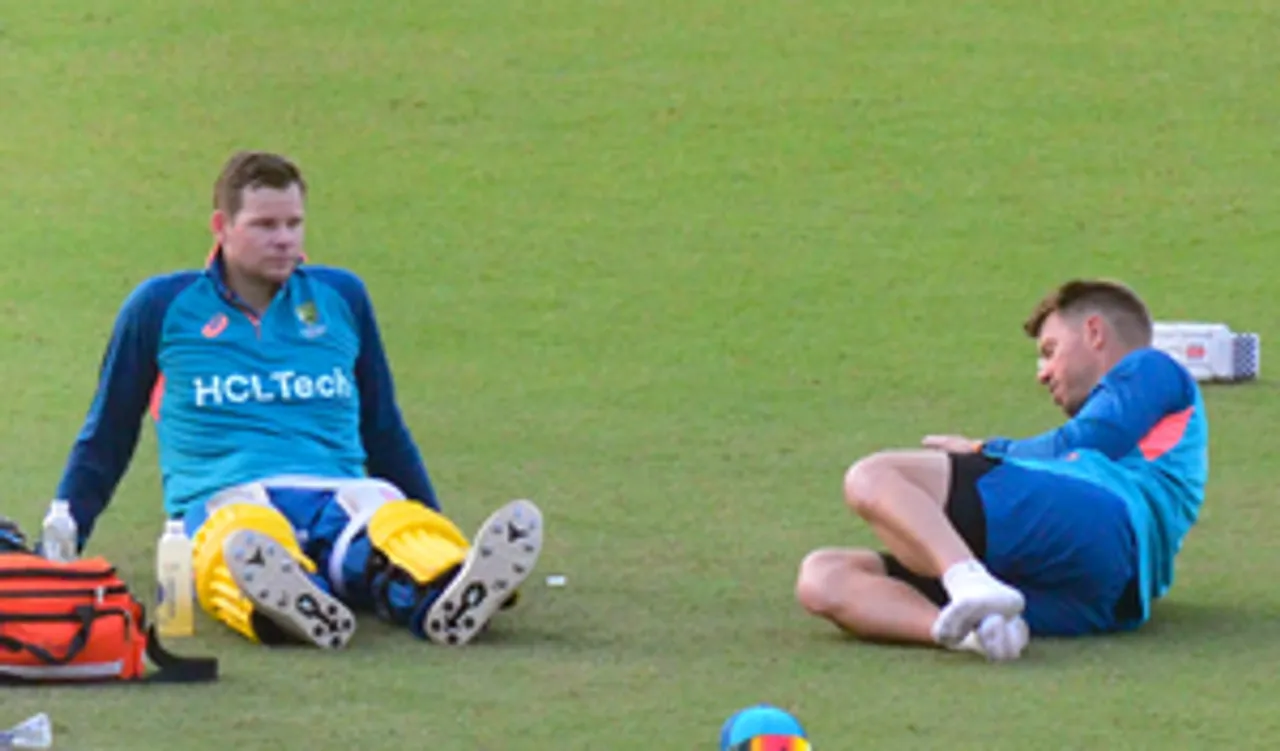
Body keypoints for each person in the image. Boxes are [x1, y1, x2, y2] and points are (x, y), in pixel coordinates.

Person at [51, 151, 544, 649]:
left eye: (294, 223)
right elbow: (108, 432)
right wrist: (65, 533)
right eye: (265, 225)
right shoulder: (162, 306)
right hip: (223, 496)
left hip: (339, 492)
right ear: (221, 226)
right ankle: (290, 603)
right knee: (244, 539)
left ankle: (445, 586)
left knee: (395, 527)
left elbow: (383, 427)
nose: (284, 238)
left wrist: (433, 519)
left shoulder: (341, 296)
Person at [795, 279, 1208, 661]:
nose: (1042, 373)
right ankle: (973, 633)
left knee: (874, 477)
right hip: (1106, 601)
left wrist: (983, 450)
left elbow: (1087, 439)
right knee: (823, 576)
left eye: (1050, 350)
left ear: (1095, 333)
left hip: (1100, 520)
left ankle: (965, 580)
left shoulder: (1151, 367)